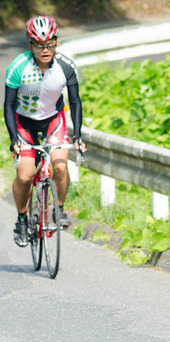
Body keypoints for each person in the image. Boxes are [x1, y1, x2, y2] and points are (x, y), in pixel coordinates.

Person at [4, 15, 87, 247]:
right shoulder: (18, 67)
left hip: (53, 121)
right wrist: (14, 139)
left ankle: (59, 210)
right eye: (39, 45)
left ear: (56, 42)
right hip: (24, 124)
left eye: (50, 44)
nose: (45, 49)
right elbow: (9, 105)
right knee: (25, 175)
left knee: (60, 166)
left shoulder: (66, 66)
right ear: (31, 44)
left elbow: (76, 101)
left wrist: (78, 135)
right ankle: (22, 219)